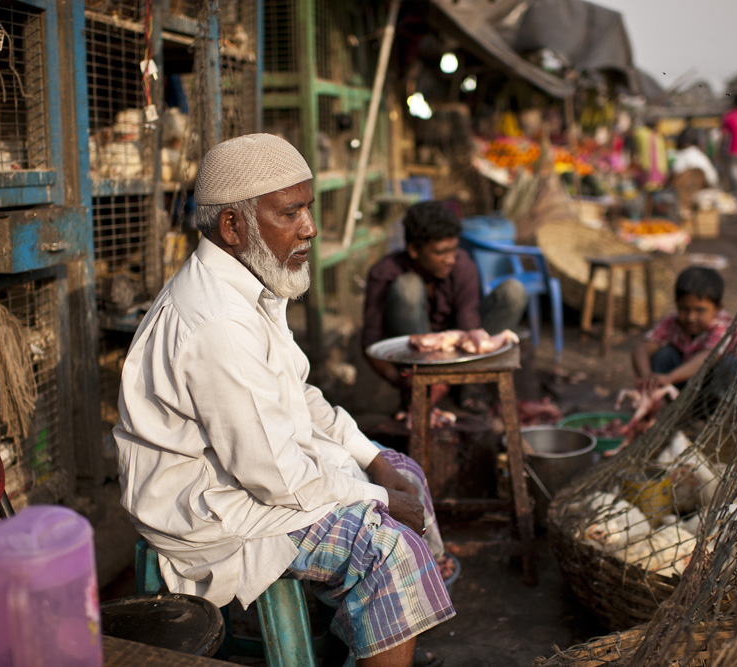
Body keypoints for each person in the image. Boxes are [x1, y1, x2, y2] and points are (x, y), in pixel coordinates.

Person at [114, 133, 455, 667]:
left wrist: (370, 460)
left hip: (257, 478)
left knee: (399, 466)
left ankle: (392, 636)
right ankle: (390, 628)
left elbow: (299, 393)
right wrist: (381, 500)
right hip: (212, 510)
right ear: (233, 226)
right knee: (389, 549)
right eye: (290, 213)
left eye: (308, 210)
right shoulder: (218, 321)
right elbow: (278, 478)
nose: (310, 228)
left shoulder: (251, 286)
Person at [361, 201, 527, 409]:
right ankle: (423, 385)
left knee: (514, 292)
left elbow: (469, 326)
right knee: (408, 286)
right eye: (440, 252)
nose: (449, 259)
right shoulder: (384, 272)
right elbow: (370, 341)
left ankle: (469, 385)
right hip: (411, 356)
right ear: (413, 249)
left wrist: (469, 354)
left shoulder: (462, 265)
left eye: (453, 250)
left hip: (458, 348)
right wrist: (400, 381)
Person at [632, 266, 735, 394]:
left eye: (700, 310)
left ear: (718, 307)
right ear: (676, 304)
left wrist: (670, 377)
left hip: (718, 392)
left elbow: (707, 358)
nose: (691, 318)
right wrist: (647, 377)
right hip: (688, 388)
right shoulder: (672, 322)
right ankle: (672, 406)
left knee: (727, 364)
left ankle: (721, 413)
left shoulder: (724, 326)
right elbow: (642, 350)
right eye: (684, 309)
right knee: (663, 355)